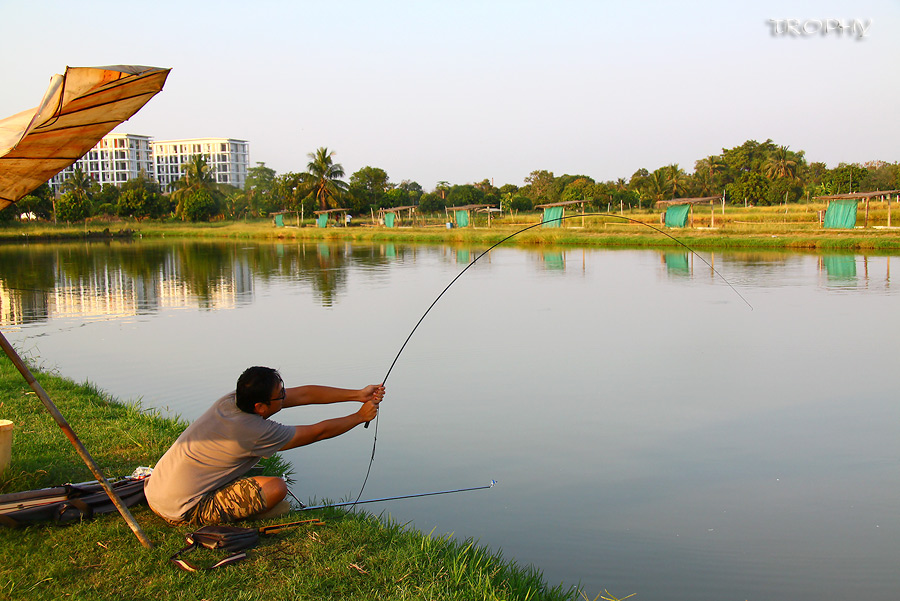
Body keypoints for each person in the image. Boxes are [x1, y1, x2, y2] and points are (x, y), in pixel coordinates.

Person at [144, 366, 384, 526]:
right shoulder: (252, 432)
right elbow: (317, 433)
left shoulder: (232, 401)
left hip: (155, 489)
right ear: (261, 407)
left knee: (272, 494)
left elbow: (303, 395)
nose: (285, 395)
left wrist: (358, 395)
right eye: (280, 395)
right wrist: (359, 417)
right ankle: (202, 515)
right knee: (277, 490)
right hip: (183, 508)